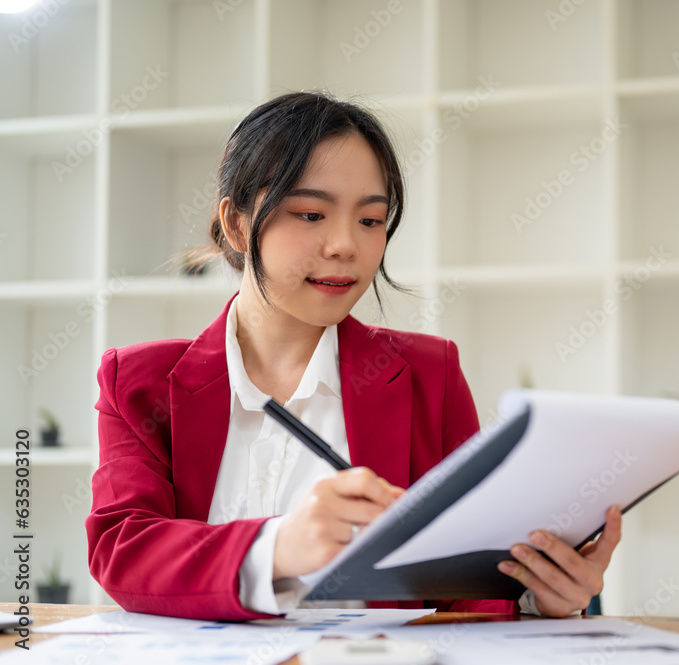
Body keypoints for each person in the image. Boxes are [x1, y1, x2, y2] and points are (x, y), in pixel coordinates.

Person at [85, 91, 622, 622]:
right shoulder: (137, 382)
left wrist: (538, 596)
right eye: (312, 213)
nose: (345, 245)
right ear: (237, 225)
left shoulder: (429, 376)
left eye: (370, 221)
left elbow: (464, 582)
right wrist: (277, 547)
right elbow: (123, 549)